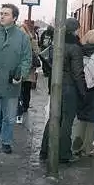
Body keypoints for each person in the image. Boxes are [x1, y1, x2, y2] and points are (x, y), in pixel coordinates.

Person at [0, 4, 32, 163]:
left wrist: (21, 74)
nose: (2, 16)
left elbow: (27, 59)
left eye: (6, 14)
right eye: (1, 13)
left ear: (14, 18)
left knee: (9, 118)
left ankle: (6, 141)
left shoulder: (22, 37)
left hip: (12, 84)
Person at [39, 18, 88, 163]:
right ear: (75, 30)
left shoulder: (56, 44)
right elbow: (78, 73)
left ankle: (45, 150)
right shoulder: (75, 47)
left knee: (54, 118)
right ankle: (64, 154)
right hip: (69, 88)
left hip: (56, 85)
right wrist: (83, 91)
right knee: (67, 121)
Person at [16, 20, 40, 124]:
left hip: (22, 66)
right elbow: (37, 52)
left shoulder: (18, 40)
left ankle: (21, 108)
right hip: (30, 67)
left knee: (20, 89)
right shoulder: (32, 39)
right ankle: (25, 106)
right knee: (27, 88)